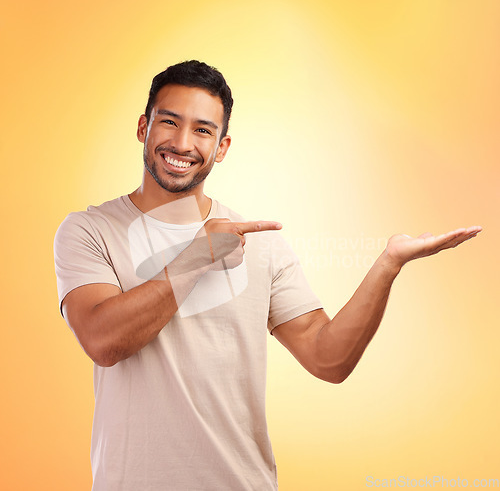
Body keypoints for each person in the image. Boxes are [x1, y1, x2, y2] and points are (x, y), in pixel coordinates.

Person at [54, 60, 481, 491]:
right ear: (144, 127)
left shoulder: (259, 242)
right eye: (169, 122)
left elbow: (327, 359)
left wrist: (388, 264)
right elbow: (103, 341)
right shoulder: (90, 230)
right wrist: (197, 255)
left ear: (221, 147)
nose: (182, 143)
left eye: (203, 130)